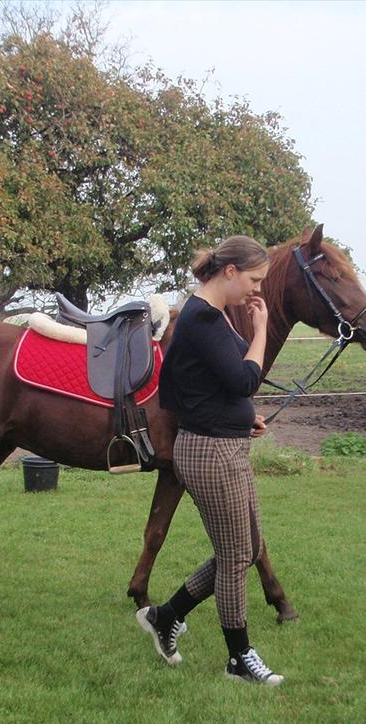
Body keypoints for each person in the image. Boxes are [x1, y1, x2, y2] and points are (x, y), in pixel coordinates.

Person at [136, 235, 283, 686]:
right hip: (210, 452)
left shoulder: (210, 316)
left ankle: (166, 616)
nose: (256, 291)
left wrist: (242, 421)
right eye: (254, 280)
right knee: (236, 556)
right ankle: (239, 658)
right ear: (231, 271)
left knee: (245, 549)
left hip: (226, 442)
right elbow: (243, 380)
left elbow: (204, 388)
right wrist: (262, 332)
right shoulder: (201, 318)